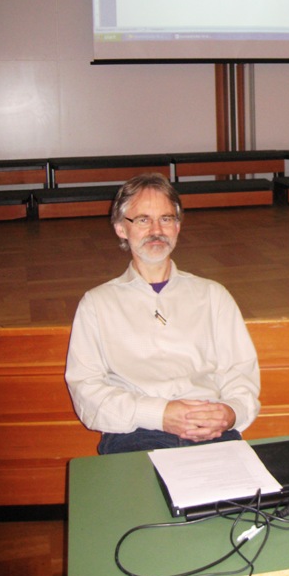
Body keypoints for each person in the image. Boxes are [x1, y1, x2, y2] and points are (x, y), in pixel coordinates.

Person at [65, 173, 260, 455]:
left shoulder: (212, 295)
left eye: (166, 219)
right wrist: (159, 414)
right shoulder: (97, 304)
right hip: (136, 433)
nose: (156, 230)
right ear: (121, 228)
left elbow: (241, 373)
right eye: (143, 220)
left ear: (177, 226)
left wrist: (231, 412)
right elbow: (86, 390)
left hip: (209, 429)